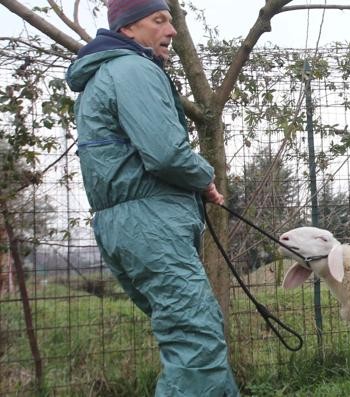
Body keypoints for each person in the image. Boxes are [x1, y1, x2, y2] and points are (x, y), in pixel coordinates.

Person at [65, 1, 239, 395]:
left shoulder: (100, 77)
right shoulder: (134, 69)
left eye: (171, 20)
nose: (172, 30)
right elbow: (165, 153)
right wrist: (205, 177)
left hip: (125, 225)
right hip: (152, 223)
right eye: (159, 21)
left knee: (195, 334)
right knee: (196, 341)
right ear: (128, 29)